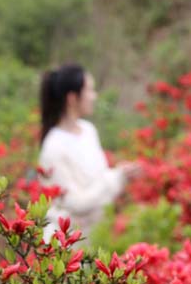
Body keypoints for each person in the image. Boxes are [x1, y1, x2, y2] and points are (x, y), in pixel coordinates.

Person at [38, 63, 140, 243]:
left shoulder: (88, 130)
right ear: (72, 98)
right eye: (89, 90)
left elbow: (97, 180)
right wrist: (117, 176)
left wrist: (121, 174)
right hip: (66, 247)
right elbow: (76, 203)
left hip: (94, 239)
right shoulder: (53, 147)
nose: (94, 96)